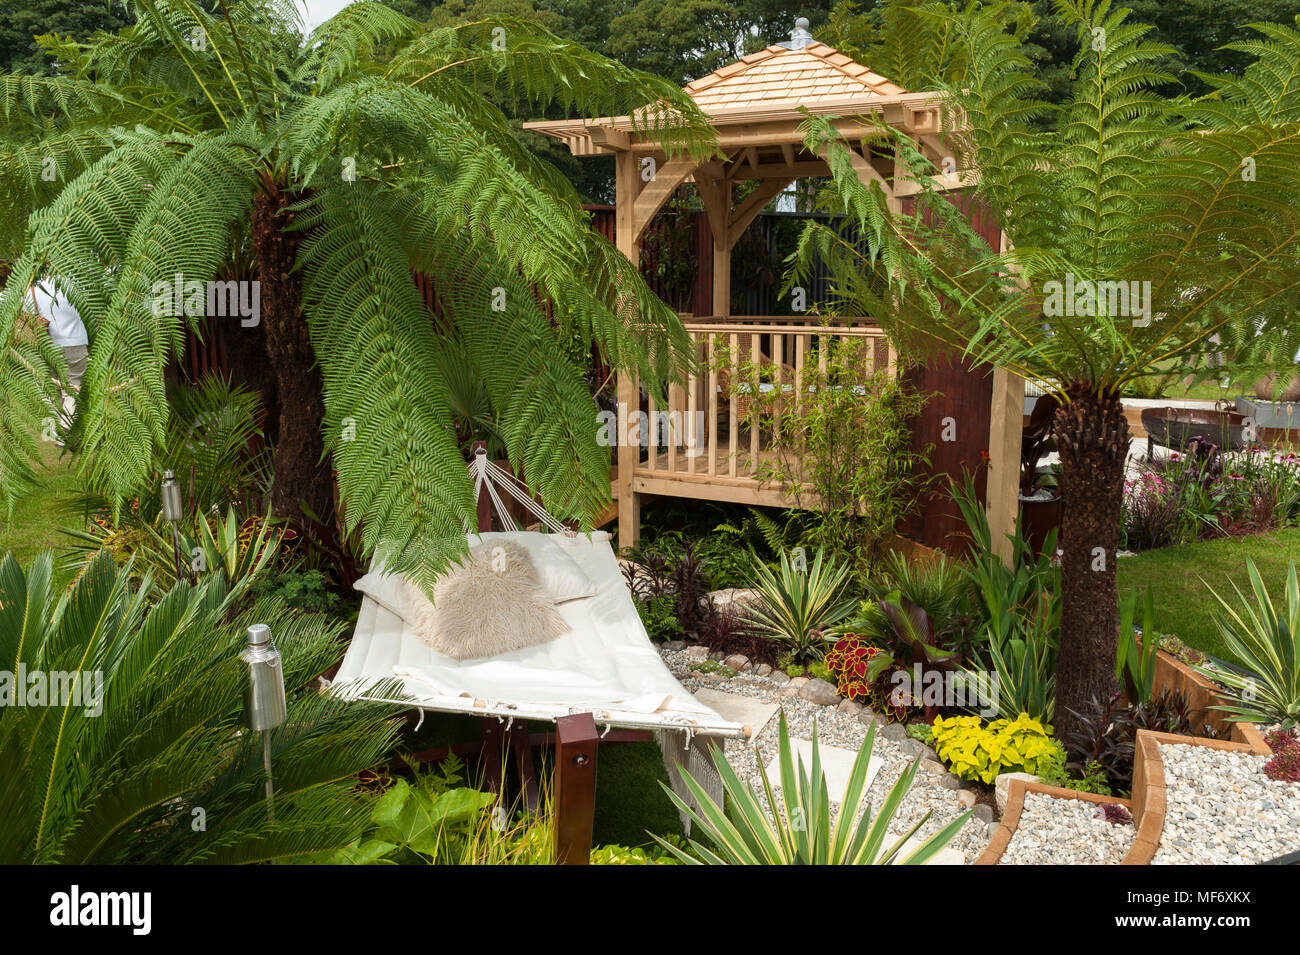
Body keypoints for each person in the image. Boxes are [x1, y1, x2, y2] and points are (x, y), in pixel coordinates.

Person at [26, 274, 89, 418]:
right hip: (74, 344)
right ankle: (63, 438)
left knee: (50, 393)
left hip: (45, 345)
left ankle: (55, 434)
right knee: (73, 391)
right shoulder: (76, 282)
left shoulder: (33, 287)